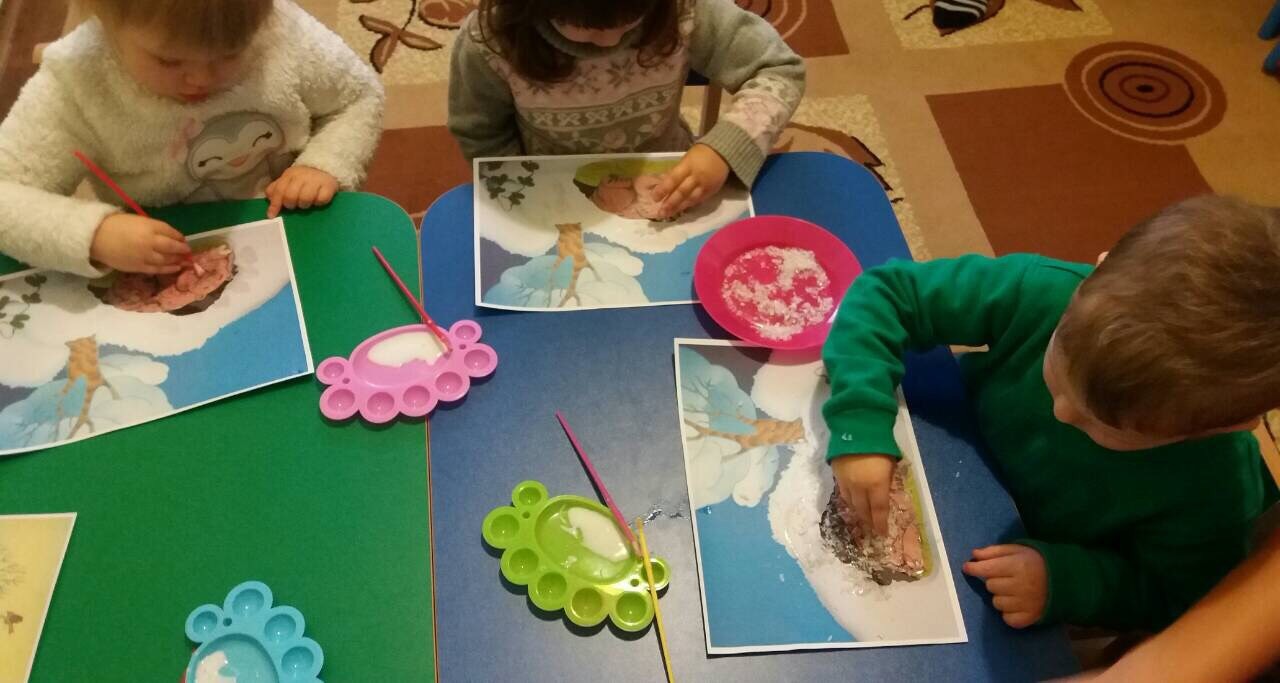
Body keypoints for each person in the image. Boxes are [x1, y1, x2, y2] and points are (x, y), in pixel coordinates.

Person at [822, 195, 1280, 631]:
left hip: (1019, 555)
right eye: (1059, 371)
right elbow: (889, 293)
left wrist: (1069, 582)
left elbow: (1177, 600)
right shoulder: (1045, 290)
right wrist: (859, 420)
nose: (1061, 412)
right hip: (947, 442)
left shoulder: (1218, 491)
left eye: (1103, 424)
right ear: (1098, 269)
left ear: (1226, 427)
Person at [0, 0, 384, 277]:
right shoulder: (77, 80)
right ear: (105, 20)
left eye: (230, 54)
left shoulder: (282, 30)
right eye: (169, 61)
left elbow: (360, 97)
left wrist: (324, 163)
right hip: (158, 265)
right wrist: (95, 235)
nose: (201, 79)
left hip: (296, 230)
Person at [447, 0, 804, 219]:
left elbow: (779, 69)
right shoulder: (490, 42)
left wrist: (723, 149)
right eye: (581, 27)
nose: (610, 41)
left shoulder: (687, 9)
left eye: (631, 20)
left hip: (670, 174)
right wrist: (526, 194)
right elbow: (481, 133)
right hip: (551, 189)